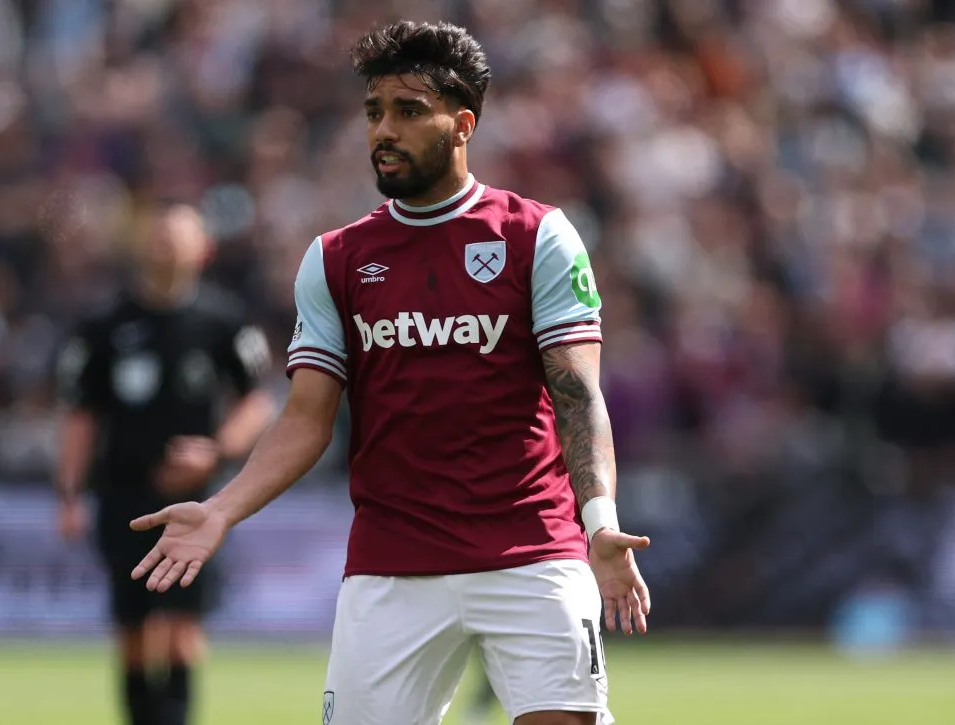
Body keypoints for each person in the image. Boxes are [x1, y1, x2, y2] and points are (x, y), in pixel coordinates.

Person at [129, 21, 651, 725]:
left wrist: (600, 524)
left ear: (461, 124)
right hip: (393, 563)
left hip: (532, 549)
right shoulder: (336, 259)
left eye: (408, 111)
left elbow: (578, 395)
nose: (384, 129)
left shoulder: (536, 236)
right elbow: (306, 417)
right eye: (375, 111)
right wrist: (223, 507)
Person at [53, 200, 274, 725]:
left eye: (179, 237)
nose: (167, 247)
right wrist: (69, 494)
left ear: (204, 248)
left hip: (194, 504)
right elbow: (80, 416)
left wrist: (217, 450)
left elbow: (258, 401)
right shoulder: (104, 326)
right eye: (158, 237)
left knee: (182, 632)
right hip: (122, 497)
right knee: (132, 632)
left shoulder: (222, 321)